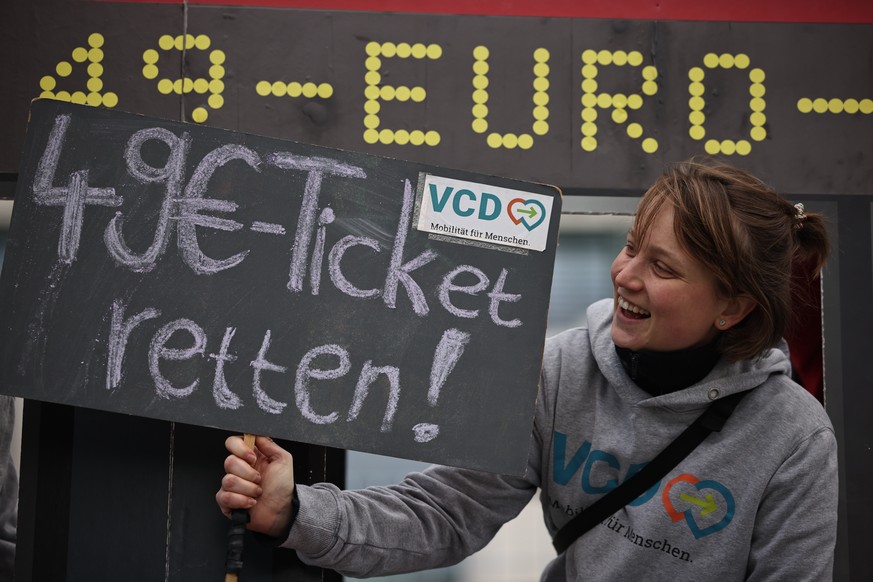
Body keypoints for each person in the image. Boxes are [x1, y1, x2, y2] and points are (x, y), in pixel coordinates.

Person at [216, 158, 838, 581]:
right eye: (630, 247)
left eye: (664, 268)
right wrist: (296, 511)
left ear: (734, 307)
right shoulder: (562, 370)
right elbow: (446, 512)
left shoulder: (794, 438)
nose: (625, 275)